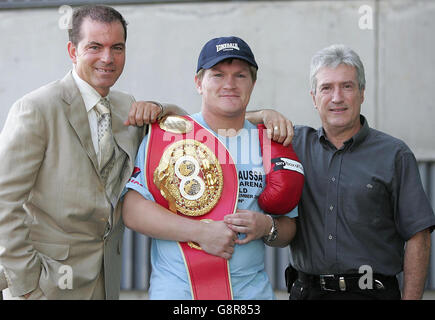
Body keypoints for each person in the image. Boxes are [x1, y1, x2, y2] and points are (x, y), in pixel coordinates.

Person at [0, 5, 178, 300]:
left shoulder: (127, 108)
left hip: (106, 280)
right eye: (95, 47)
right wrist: (27, 283)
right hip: (46, 286)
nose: (107, 58)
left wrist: (161, 109)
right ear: (73, 51)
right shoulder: (36, 108)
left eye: (117, 48)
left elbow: (187, 130)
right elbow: (4, 202)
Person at [122, 36, 300, 300]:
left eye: (240, 75)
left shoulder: (269, 142)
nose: (229, 84)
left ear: (252, 83)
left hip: (250, 295)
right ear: (198, 83)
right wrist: (200, 233)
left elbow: (289, 229)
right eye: (217, 75)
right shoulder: (169, 136)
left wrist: (266, 227)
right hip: (178, 294)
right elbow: (132, 210)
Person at [266, 44, 435, 300]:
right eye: (326, 88)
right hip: (308, 293)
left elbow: (418, 237)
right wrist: (265, 113)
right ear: (313, 97)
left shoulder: (394, 154)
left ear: (362, 93)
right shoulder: (293, 146)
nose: (337, 97)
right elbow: (228, 124)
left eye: (347, 86)